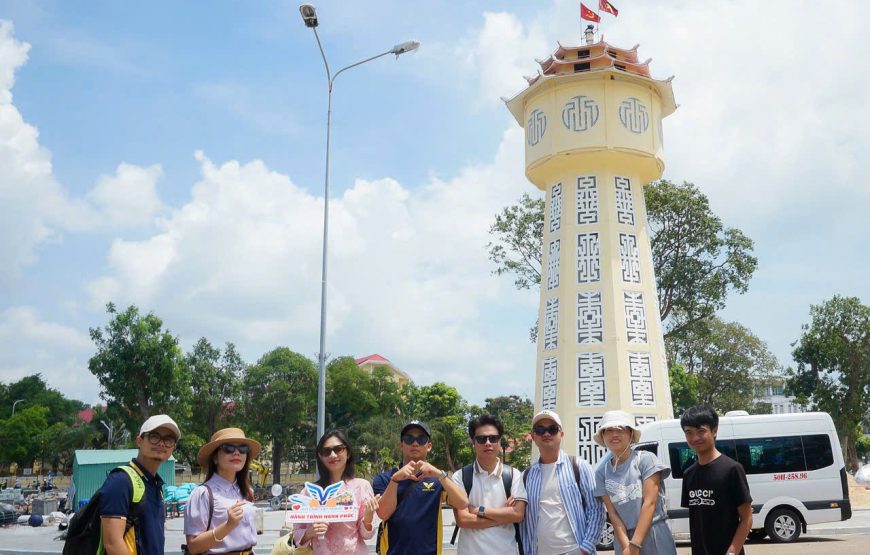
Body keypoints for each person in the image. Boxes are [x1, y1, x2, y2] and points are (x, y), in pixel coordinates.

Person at [373, 419, 469, 555]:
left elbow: (462, 502)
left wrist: (438, 474)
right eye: (409, 439)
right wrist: (394, 481)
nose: (415, 443)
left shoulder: (438, 479)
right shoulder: (384, 479)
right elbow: (383, 513)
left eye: (421, 439)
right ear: (401, 445)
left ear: (429, 446)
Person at [519, 409, 605, 555]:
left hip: (574, 550)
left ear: (561, 434)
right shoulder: (527, 475)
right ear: (533, 436)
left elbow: (595, 509)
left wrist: (585, 548)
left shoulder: (578, 466)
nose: (546, 434)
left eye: (552, 429)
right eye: (540, 430)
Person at [592, 410, 676, 555]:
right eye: (609, 430)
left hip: (654, 534)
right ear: (603, 436)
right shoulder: (601, 473)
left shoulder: (646, 460)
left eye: (620, 429)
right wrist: (627, 547)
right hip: (625, 541)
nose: (614, 434)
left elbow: (649, 502)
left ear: (631, 433)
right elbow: (612, 513)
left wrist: (635, 544)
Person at [98, 414, 181, 554]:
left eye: (168, 440)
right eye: (154, 437)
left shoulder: (156, 486)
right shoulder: (121, 481)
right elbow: (112, 544)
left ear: (173, 447)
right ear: (139, 440)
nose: (161, 444)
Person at [679, 406, 752, 555]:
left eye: (701, 431)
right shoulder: (689, 474)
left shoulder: (732, 469)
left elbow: (747, 518)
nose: (695, 438)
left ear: (714, 430)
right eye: (689, 433)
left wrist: (732, 552)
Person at [293, 430, 380, 553]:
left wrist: (367, 518)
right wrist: (309, 533)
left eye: (338, 449)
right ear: (320, 456)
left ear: (348, 453)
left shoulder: (361, 487)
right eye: (326, 451)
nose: (333, 455)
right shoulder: (308, 492)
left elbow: (367, 535)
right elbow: (297, 536)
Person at [452, 414, 527, 554]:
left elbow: (518, 515)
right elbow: (463, 520)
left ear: (499, 442)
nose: (488, 443)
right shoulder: (460, 477)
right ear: (473, 442)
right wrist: (503, 517)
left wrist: (477, 510)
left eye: (493, 438)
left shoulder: (513, 475)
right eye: (481, 439)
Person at [184, 427, 261, 554]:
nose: (236, 453)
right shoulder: (202, 494)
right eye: (228, 448)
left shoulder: (246, 491)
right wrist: (227, 526)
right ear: (215, 458)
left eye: (243, 449)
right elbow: (193, 546)